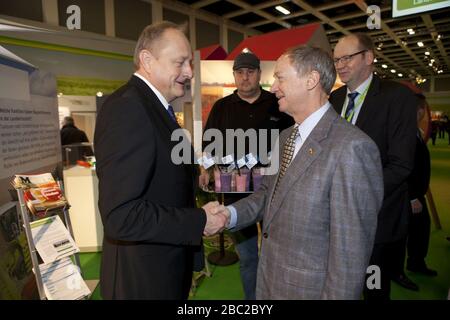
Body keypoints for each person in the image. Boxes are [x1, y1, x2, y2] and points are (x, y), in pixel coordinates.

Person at [213, 45, 384, 299]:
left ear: (311, 80)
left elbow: (349, 257)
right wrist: (229, 214)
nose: (273, 88)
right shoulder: (285, 138)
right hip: (270, 283)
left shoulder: (352, 148)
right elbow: (267, 194)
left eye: (280, 78)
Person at [94, 22, 226, 300]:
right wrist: (197, 221)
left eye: (190, 63)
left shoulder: (156, 109)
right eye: (180, 62)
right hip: (143, 280)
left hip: (161, 268)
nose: (189, 72)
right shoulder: (129, 108)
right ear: (147, 60)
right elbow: (121, 215)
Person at [329, 33, 417, 300]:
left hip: (376, 217)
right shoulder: (334, 99)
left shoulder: (397, 97)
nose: (340, 65)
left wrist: (354, 193)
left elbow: (401, 165)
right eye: (336, 60)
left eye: (347, 58)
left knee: (374, 286)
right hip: (334, 217)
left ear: (369, 57)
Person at [199, 52, 293, 300]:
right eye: (240, 72)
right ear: (234, 76)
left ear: (259, 74)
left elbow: (294, 140)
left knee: (277, 255)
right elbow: (209, 144)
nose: (245, 77)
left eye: (250, 71)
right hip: (236, 194)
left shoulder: (278, 104)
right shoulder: (222, 108)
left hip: (276, 190)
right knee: (249, 257)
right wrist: (204, 168)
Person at [405, 95, 438, 276]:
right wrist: (412, 197)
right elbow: (404, 167)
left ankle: (414, 262)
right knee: (416, 230)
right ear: (419, 111)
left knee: (419, 229)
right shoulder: (407, 133)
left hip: (416, 193)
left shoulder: (414, 130)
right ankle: (413, 264)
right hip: (412, 195)